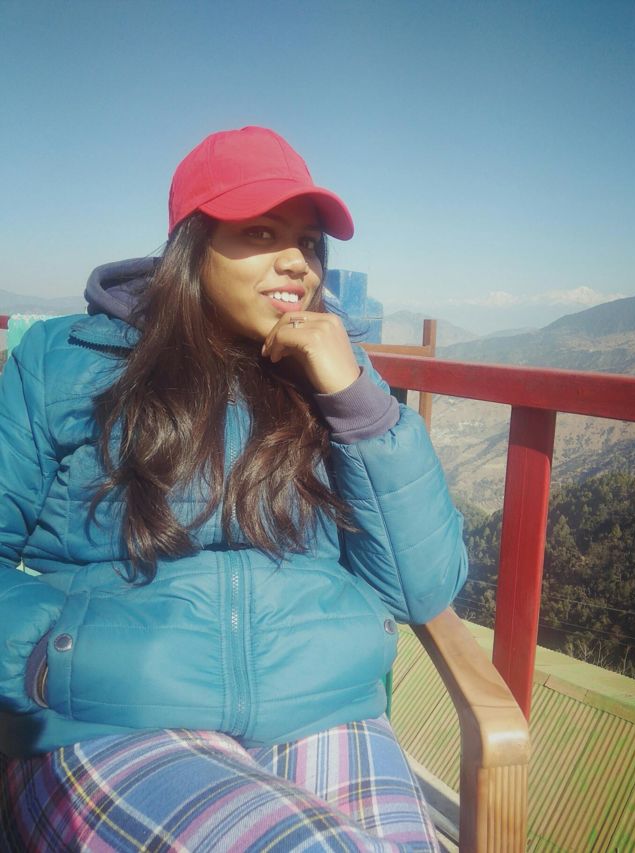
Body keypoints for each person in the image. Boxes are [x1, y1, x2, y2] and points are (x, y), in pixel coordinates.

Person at [0, 126, 467, 851]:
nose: (298, 263)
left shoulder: (334, 380)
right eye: (261, 232)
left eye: (308, 242)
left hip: (325, 708)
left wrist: (357, 401)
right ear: (192, 246)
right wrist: (44, 660)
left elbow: (421, 588)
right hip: (115, 715)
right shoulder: (65, 361)